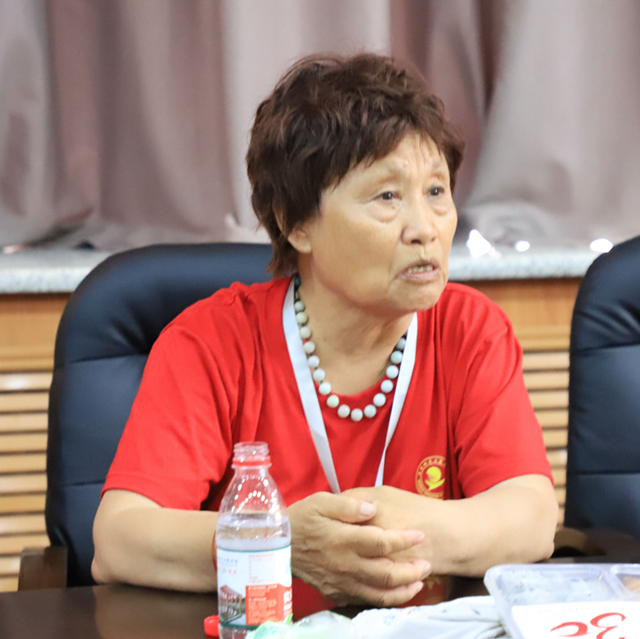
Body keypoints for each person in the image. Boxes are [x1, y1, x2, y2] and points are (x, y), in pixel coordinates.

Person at [92, 53, 558, 607]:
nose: (426, 228)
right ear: (296, 224)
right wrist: (282, 543)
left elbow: (532, 518)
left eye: (436, 191)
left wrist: (400, 533)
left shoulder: (468, 330)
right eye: (387, 196)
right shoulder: (213, 342)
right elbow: (120, 540)